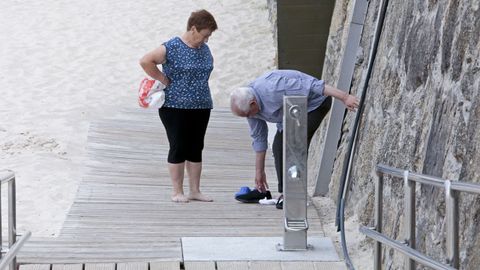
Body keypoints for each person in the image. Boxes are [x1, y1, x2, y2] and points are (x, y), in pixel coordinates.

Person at [230, 69, 359, 209]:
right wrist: (259, 173)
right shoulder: (249, 109)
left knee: (295, 143)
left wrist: (345, 97)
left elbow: (314, 85)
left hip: (314, 105)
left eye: (248, 114)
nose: (249, 118)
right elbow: (259, 138)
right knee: (278, 145)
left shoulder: (273, 87)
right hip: (290, 114)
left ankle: (295, 194)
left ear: (253, 103)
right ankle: (272, 191)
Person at [139, 9, 218, 203]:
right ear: (193, 28)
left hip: (201, 105)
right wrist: (162, 78)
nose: (206, 40)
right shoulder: (171, 47)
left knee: (196, 147)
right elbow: (145, 61)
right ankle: (177, 191)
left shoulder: (203, 48)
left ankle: (195, 191)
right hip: (175, 106)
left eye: (209, 36)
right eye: (205, 35)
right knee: (178, 146)